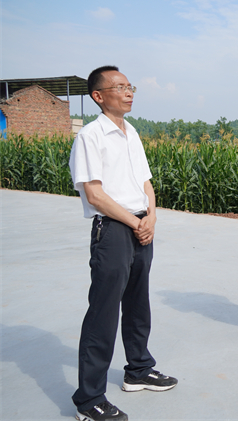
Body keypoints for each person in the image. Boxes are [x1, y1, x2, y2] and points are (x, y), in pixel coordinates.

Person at [69, 66, 177, 421]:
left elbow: (146, 183)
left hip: (140, 226)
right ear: (98, 96)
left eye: (130, 86)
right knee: (102, 312)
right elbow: (94, 194)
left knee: (137, 303)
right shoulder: (90, 136)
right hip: (114, 230)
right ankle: (89, 400)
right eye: (119, 87)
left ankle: (138, 369)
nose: (128, 92)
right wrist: (134, 222)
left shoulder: (131, 133)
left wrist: (152, 218)